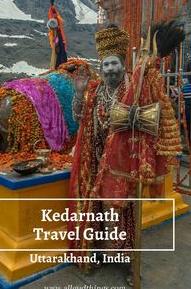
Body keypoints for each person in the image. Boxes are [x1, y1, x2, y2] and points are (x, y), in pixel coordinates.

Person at [69, 25, 134, 281]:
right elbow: (79, 118)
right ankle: (103, 254)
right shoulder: (95, 91)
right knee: (99, 212)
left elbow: (151, 120)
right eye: (105, 64)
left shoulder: (133, 89)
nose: (109, 69)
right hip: (96, 164)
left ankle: (130, 264)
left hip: (124, 166)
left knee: (124, 214)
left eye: (114, 63)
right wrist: (78, 95)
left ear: (123, 64)